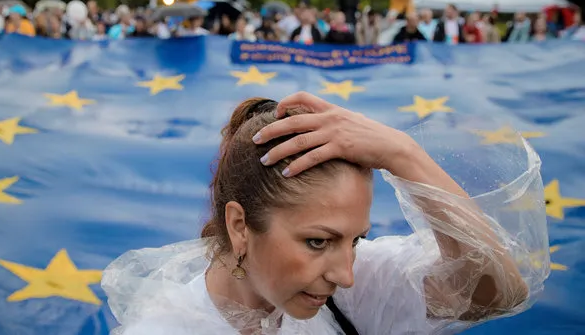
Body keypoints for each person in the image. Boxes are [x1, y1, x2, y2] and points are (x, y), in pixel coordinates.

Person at [103, 92, 547, 335]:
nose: (346, 273)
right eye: (318, 241)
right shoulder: (168, 328)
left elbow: (495, 293)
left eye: (356, 240)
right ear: (240, 226)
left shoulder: (344, 295)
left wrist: (404, 155)